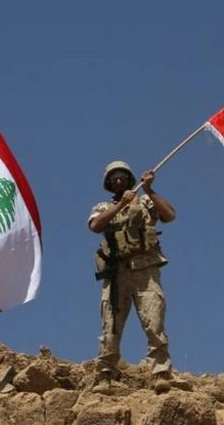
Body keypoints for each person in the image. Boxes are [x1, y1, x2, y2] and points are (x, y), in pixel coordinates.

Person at [88, 160, 176, 393]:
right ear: (109, 182)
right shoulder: (102, 206)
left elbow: (169, 215)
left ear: (129, 178)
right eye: (114, 177)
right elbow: (96, 225)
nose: (119, 180)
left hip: (145, 271)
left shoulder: (146, 201)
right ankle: (105, 374)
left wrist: (149, 189)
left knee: (154, 321)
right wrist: (119, 206)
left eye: (123, 176)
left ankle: (160, 373)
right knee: (111, 326)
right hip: (117, 274)